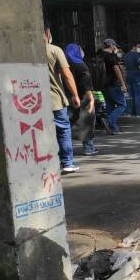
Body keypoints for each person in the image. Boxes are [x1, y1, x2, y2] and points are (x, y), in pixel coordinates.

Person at [44, 21, 81, 174]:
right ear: (47, 33)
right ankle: (67, 162)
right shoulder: (54, 50)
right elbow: (66, 74)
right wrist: (75, 95)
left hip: (31, 101)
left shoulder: (24, 51)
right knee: (63, 130)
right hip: (55, 100)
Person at [65, 43, 98, 156]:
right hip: (83, 97)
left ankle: (64, 149)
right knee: (87, 122)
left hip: (68, 98)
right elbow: (86, 84)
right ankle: (89, 148)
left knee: (68, 123)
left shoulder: (64, 65)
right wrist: (91, 99)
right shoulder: (81, 65)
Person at [102, 38, 127, 134]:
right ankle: (109, 120)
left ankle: (112, 128)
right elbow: (116, 69)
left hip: (103, 85)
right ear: (112, 46)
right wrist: (123, 84)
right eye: (114, 46)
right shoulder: (111, 56)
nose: (115, 47)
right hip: (113, 84)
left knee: (110, 106)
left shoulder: (100, 55)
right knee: (122, 105)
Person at [123, 42, 140, 116]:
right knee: (138, 97)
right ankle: (138, 114)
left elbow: (123, 68)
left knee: (131, 96)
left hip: (128, 77)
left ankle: (130, 113)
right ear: (134, 47)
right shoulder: (137, 56)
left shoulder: (125, 56)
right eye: (138, 46)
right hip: (137, 77)